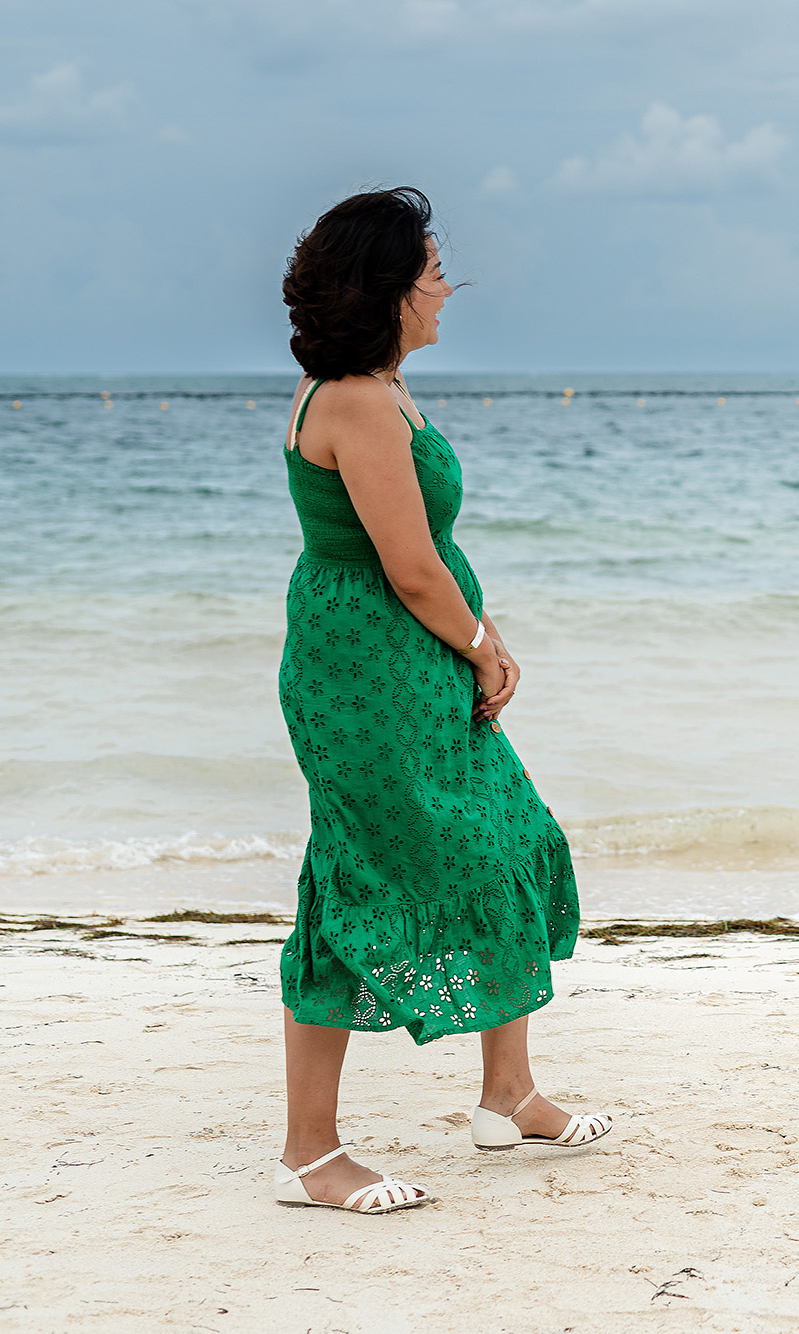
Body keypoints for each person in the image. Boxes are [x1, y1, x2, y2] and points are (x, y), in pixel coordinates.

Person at [273, 187, 611, 1214]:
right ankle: (308, 1153)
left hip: (414, 653)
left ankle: (508, 1093)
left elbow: (434, 561)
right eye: (430, 273)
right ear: (388, 290)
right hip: (366, 666)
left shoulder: (384, 387)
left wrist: (483, 633)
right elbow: (409, 565)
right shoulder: (356, 400)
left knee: (506, 836)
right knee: (357, 877)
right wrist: (470, 638)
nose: (446, 288)